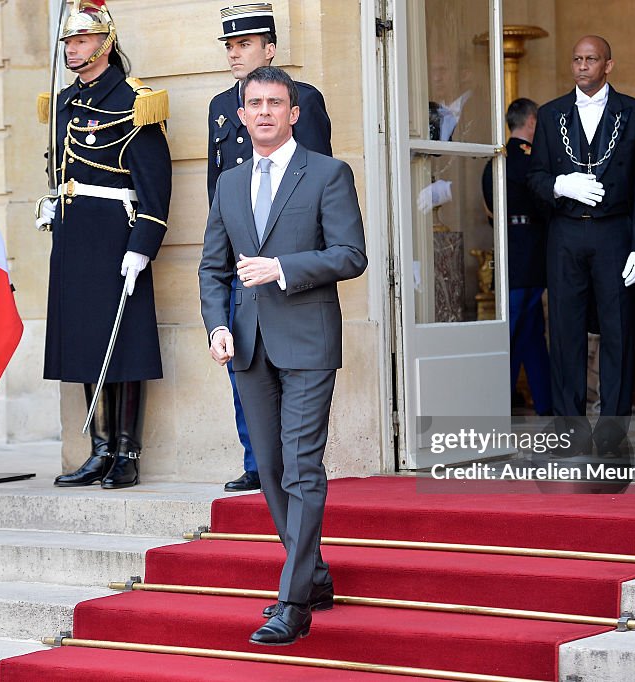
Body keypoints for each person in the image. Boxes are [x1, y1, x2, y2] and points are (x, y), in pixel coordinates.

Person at [199, 66, 367, 645]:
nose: (265, 112)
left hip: (308, 342)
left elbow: (351, 255)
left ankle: (293, 603)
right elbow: (212, 267)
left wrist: (284, 269)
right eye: (255, 104)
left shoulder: (327, 173)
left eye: (276, 103)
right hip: (246, 346)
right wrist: (217, 325)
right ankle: (315, 573)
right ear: (241, 116)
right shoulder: (228, 182)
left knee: (300, 466)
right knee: (268, 468)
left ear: (294, 114)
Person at [36, 0, 171, 490]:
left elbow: (155, 187)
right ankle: (99, 447)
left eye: (81, 40)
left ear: (106, 43)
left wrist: (144, 244)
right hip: (76, 237)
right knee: (87, 343)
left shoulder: (136, 101)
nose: (72, 50)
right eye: (68, 42)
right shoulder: (67, 101)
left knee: (124, 343)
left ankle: (126, 451)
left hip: (118, 236)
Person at [209, 3, 334, 493]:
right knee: (243, 359)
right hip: (242, 257)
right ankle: (256, 459)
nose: (235, 55)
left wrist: (294, 260)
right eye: (230, 47)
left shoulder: (304, 99)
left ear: (270, 48)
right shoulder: (223, 105)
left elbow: (318, 177)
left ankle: (286, 466)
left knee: (292, 376)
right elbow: (217, 184)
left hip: (290, 261)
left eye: (244, 45)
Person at [526, 35, 635, 454]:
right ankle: (570, 428)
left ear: (608, 65)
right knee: (564, 332)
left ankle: (613, 430)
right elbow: (534, 178)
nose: (583, 66)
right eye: (577, 59)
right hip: (565, 234)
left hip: (614, 234)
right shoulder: (550, 115)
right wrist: (560, 184)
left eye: (591, 59)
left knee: (618, 330)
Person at [482, 98, 553, 417]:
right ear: (533, 121)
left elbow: (490, 208)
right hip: (531, 250)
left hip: (506, 246)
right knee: (515, 331)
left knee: (528, 332)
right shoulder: (530, 159)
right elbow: (545, 202)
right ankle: (502, 403)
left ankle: (543, 402)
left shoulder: (494, 160)